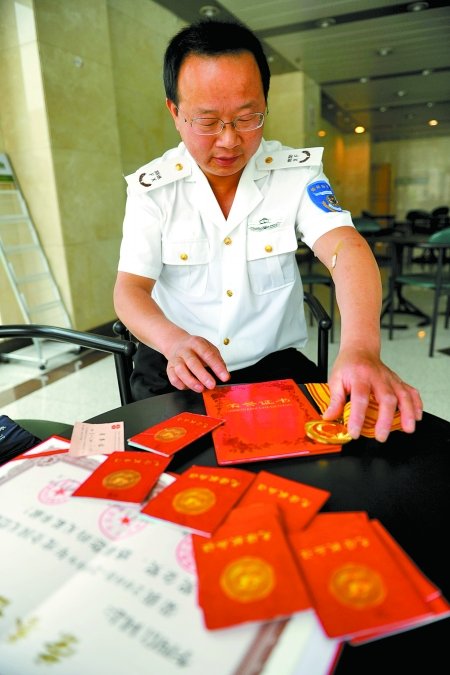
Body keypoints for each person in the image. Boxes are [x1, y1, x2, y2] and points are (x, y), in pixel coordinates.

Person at [114, 18, 423, 443]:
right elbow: (130, 289)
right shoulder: (153, 189)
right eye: (207, 121)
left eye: (248, 118)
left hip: (273, 367)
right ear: (175, 112)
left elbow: (345, 248)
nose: (229, 140)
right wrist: (173, 341)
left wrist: (361, 348)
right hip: (177, 367)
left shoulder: (295, 173)